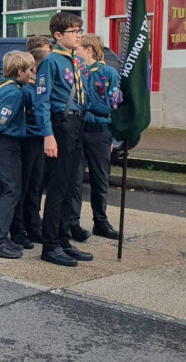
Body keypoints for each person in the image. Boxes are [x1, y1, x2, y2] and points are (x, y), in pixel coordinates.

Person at [35, 12, 94, 267]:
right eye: (74, 31)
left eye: (80, 30)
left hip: (78, 122)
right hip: (61, 124)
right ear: (58, 35)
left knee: (72, 186)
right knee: (58, 188)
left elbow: (86, 95)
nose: (79, 35)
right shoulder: (51, 62)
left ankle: (64, 240)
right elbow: (41, 101)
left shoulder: (77, 62)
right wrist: (48, 134)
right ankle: (50, 246)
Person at [0, 51, 35, 259]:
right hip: (6, 143)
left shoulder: (2, 86)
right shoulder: (14, 93)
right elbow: (1, 120)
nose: (31, 73)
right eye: (29, 70)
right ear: (20, 71)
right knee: (11, 190)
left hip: (2, 143)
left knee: (2, 190)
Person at [75, 34, 121, 240]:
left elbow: (114, 104)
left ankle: (100, 222)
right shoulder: (76, 72)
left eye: (79, 48)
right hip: (77, 130)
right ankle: (72, 223)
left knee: (100, 180)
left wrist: (112, 138)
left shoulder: (108, 73)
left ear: (89, 50)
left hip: (100, 131)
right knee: (74, 180)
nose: (76, 52)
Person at [12, 48, 49, 247]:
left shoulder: (36, 88)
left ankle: (34, 226)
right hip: (27, 140)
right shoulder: (25, 89)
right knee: (23, 186)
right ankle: (18, 229)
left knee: (35, 186)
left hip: (38, 140)